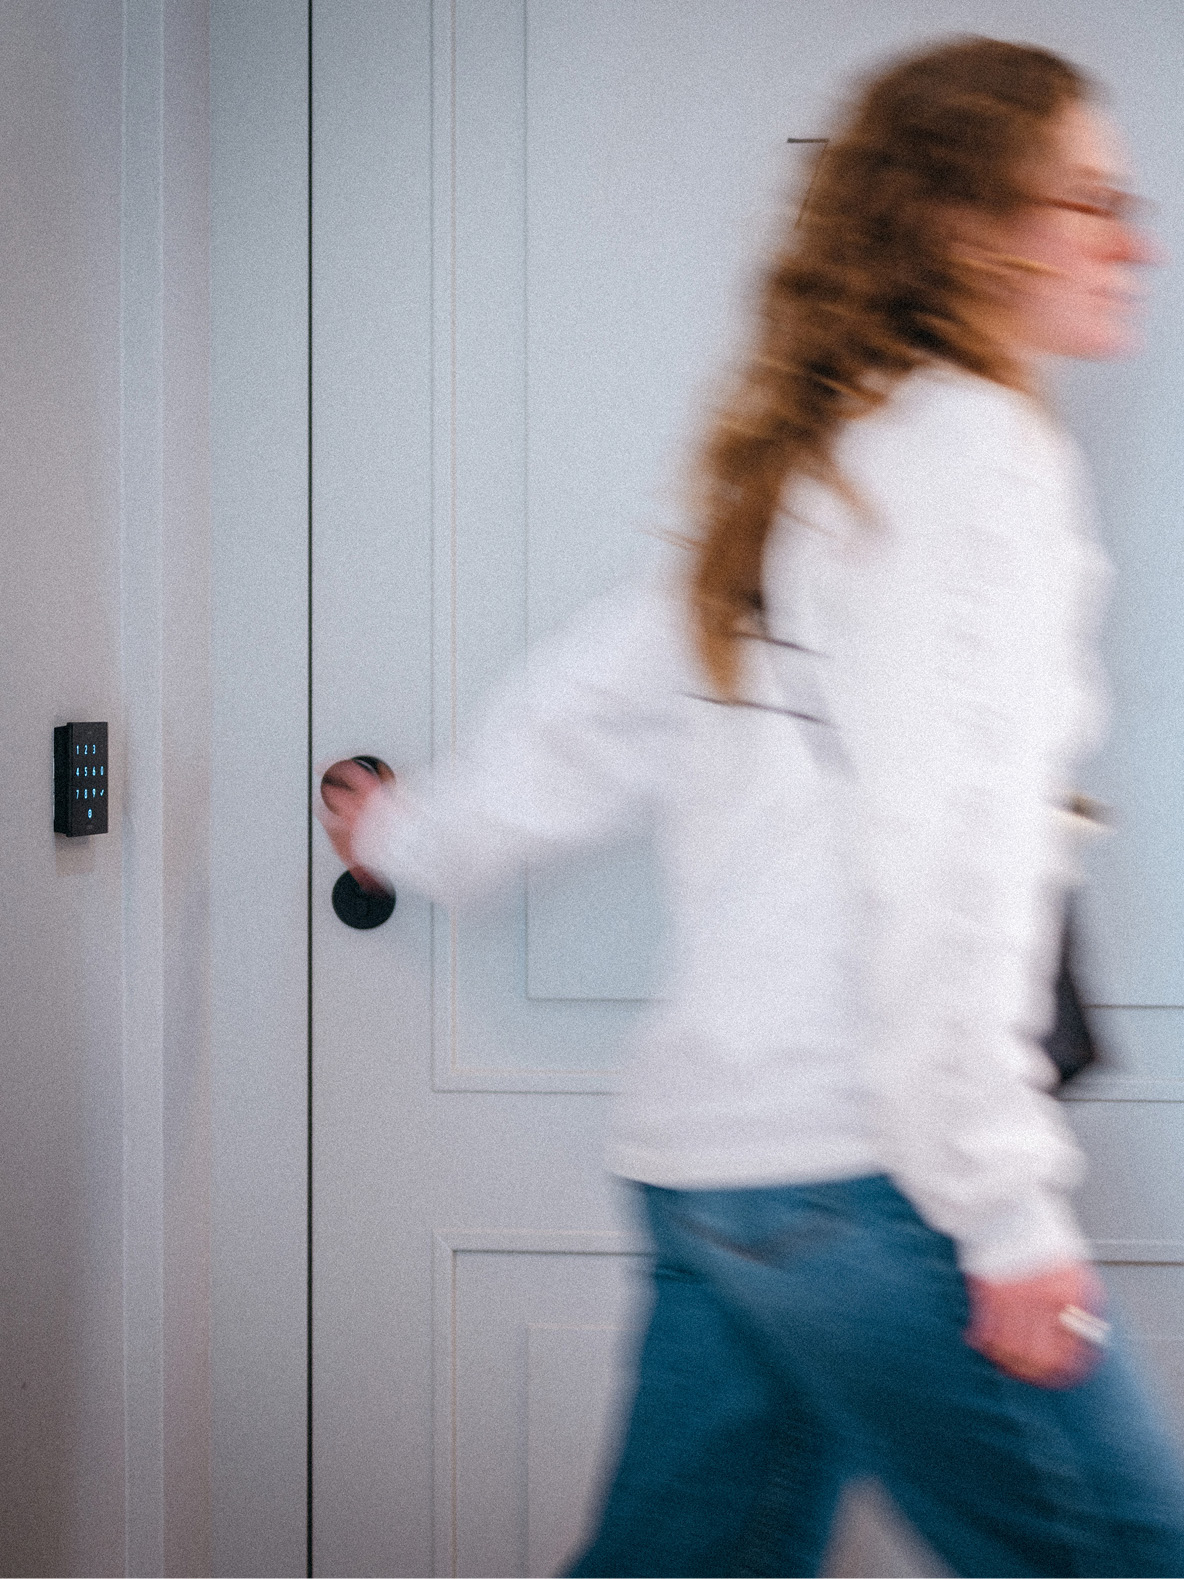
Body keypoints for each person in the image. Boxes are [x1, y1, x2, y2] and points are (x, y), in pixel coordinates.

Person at [319, 36, 1184, 1578]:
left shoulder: (807, 465)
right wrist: (1003, 1210)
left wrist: (407, 837)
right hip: (864, 1178)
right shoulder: (980, 458)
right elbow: (954, 852)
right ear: (961, 224)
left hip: (717, 1174)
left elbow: (594, 706)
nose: (1137, 243)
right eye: (1090, 201)